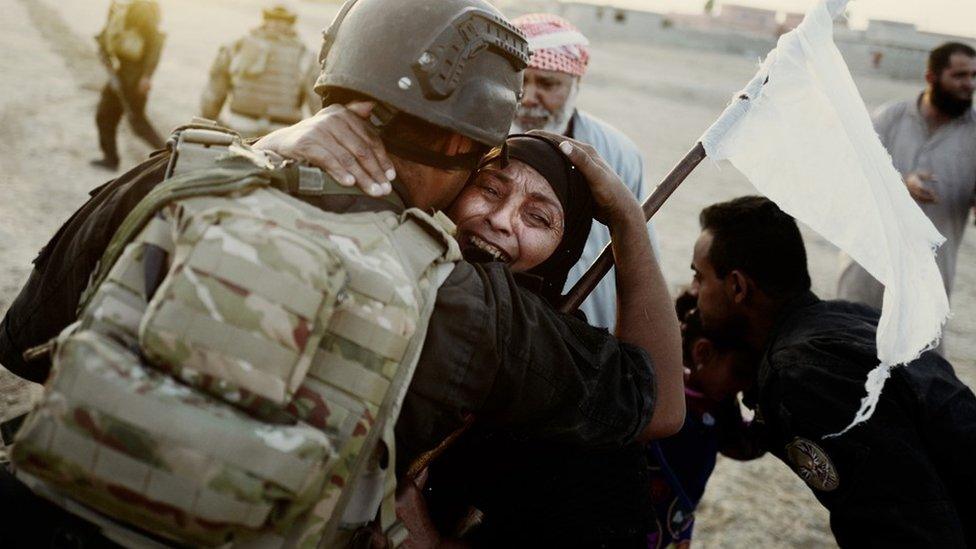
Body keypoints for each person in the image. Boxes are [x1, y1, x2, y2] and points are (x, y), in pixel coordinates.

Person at [0, 0, 683, 543]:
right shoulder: (465, 300)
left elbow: (23, 341)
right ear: (458, 143)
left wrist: (258, 150)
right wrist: (626, 219)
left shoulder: (187, 176)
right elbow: (653, 401)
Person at [392, 134, 659, 547]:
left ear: (565, 249)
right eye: (490, 189)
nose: (500, 219)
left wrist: (428, 540)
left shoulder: (565, 364)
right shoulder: (393, 263)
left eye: (538, 218)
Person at [689, 195, 976, 546]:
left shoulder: (801, 376)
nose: (693, 292)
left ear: (737, 286)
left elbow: (903, 528)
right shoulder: (845, 317)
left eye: (699, 278)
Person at [510, 13, 660, 329]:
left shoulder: (618, 152)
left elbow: (638, 249)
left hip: (590, 318)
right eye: (522, 80)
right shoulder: (485, 136)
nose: (530, 96)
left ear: (576, 83)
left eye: (548, 84)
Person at [837, 42, 976, 343]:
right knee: (848, 366)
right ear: (931, 78)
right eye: (960, 75)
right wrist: (901, 185)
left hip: (927, 287)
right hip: (865, 274)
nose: (970, 84)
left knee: (918, 379)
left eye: (974, 76)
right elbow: (848, 177)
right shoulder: (890, 118)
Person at [645, 291, 765, 549]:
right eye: (741, 373)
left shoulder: (721, 404)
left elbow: (742, 445)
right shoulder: (655, 386)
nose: (744, 385)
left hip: (675, 522)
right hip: (634, 517)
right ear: (703, 352)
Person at [199, 5, 319, 138]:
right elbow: (317, 103)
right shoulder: (306, 54)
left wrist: (209, 118)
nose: (277, 25)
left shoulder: (238, 45)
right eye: (275, 20)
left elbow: (215, 90)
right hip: (279, 133)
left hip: (246, 127)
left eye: (281, 21)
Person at [91, 0, 166, 170]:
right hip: (120, 71)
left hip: (134, 76)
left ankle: (171, 155)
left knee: (138, 123)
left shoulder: (141, 8)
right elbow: (110, 32)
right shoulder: (120, 6)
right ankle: (110, 159)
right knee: (105, 116)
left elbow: (154, 43)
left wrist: (146, 76)